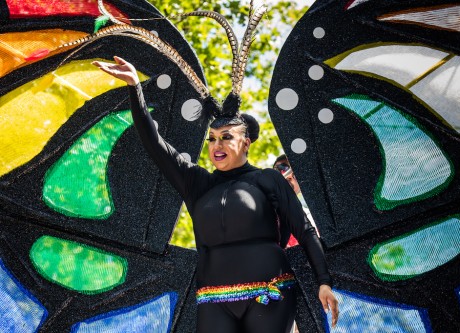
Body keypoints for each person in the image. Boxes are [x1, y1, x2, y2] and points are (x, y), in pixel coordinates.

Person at [92, 56, 338, 333]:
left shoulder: (267, 179)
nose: (216, 145)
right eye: (212, 138)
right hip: (212, 298)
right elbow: (155, 143)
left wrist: (324, 281)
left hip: (270, 294)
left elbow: (305, 231)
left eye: (226, 137)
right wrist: (135, 87)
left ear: (246, 142)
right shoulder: (197, 183)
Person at [273, 154, 319, 247]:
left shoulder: (313, 215)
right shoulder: (267, 210)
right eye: (281, 171)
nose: (289, 177)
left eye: (294, 174)